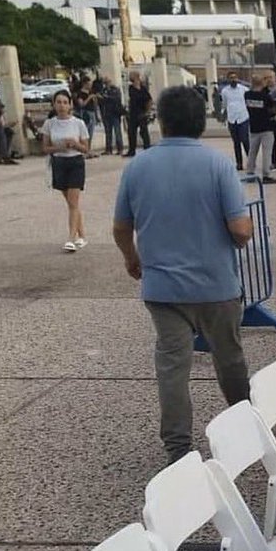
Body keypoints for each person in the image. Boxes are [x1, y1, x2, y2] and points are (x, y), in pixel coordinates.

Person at [112, 85, 253, 465]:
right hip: (216, 285)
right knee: (229, 358)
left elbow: (121, 227)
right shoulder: (218, 164)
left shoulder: (137, 166)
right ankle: (246, 423)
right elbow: (240, 229)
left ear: (161, 120)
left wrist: (132, 258)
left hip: (163, 288)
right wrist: (243, 237)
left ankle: (178, 448)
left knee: (173, 366)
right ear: (200, 121)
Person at [41, 89, 90, 251]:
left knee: (73, 202)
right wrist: (59, 146)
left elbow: (86, 148)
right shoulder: (49, 124)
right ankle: (82, 235)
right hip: (59, 163)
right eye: (58, 102)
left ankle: (71, 238)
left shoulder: (78, 123)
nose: (62, 106)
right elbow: (45, 148)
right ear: (54, 105)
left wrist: (75, 144)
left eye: (65, 102)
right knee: (71, 203)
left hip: (75, 162)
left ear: (70, 105)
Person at [244, 74, 276, 183]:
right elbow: (272, 109)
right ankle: (266, 174)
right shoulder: (265, 97)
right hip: (266, 127)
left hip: (253, 126)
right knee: (267, 152)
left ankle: (250, 171)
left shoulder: (247, 95)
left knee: (252, 151)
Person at [221, 72, 249, 170]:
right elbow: (224, 104)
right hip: (232, 119)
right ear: (228, 79)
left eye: (235, 77)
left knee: (245, 141)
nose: (233, 79)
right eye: (231, 78)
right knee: (236, 143)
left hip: (243, 118)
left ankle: (250, 161)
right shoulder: (225, 91)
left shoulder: (244, 89)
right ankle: (239, 163)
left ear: (237, 78)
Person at [126, 72, 153, 156]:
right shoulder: (131, 88)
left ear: (136, 77)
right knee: (131, 132)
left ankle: (147, 148)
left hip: (142, 113)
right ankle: (132, 150)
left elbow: (149, 100)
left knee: (144, 131)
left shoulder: (143, 89)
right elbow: (133, 96)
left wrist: (147, 112)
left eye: (131, 76)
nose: (130, 77)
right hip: (133, 113)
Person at [100, 77, 124, 155]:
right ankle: (108, 149)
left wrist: (106, 97)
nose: (106, 84)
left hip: (115, 113)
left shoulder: (115, 89)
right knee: (108, 132)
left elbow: (116, 99)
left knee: (117, 131)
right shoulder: (103, 90)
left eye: (107, 82)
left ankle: (120, 148)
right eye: (105, 83)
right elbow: (101, 101)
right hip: (106, 113)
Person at [74, 77, 98, 144]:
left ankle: (88, 148)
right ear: (85, 84)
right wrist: (89, 98)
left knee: (91, 132)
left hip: (92, 112)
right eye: (89, 84)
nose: (90, 86)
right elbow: (81, 104)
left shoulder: (91, 92)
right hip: (86, 113)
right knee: (85, 132)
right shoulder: (80, 93)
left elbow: (95, 104)